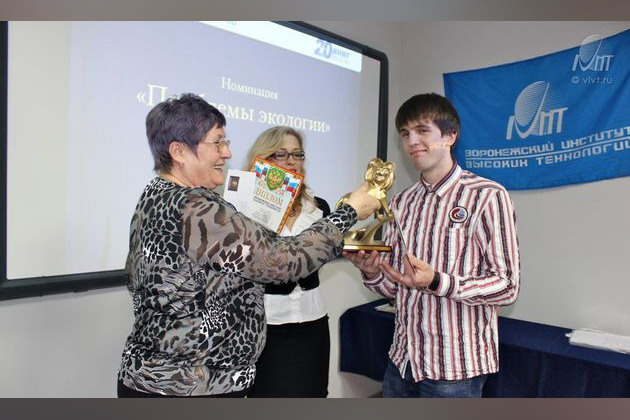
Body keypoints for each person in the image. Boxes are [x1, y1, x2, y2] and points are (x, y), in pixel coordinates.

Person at [117, 94, 379, 398]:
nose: (227, 153)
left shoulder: (154, 195)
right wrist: (349, 212)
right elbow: (283, 262)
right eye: (217, 143)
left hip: (153, 376)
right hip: (188, 385)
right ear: (179, 152)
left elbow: (135, 275)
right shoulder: (197, 208)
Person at [344, 93, 520, 398]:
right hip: (402, 362)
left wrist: (438, 281)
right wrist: (372, 272)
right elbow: (395, 287)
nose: (412, 141)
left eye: (422, 130)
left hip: (455, 370)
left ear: (451, 136)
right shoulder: (401, 202)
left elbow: (507, 286)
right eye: (405, 133)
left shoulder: (487, 196)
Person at [244, 127, 331, 398]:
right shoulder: (243, 209)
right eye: (280, 154)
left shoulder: (320, 208)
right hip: (265, 326)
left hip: (313, 323)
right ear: (262, 159)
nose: (291, 161)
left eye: (297, 154)